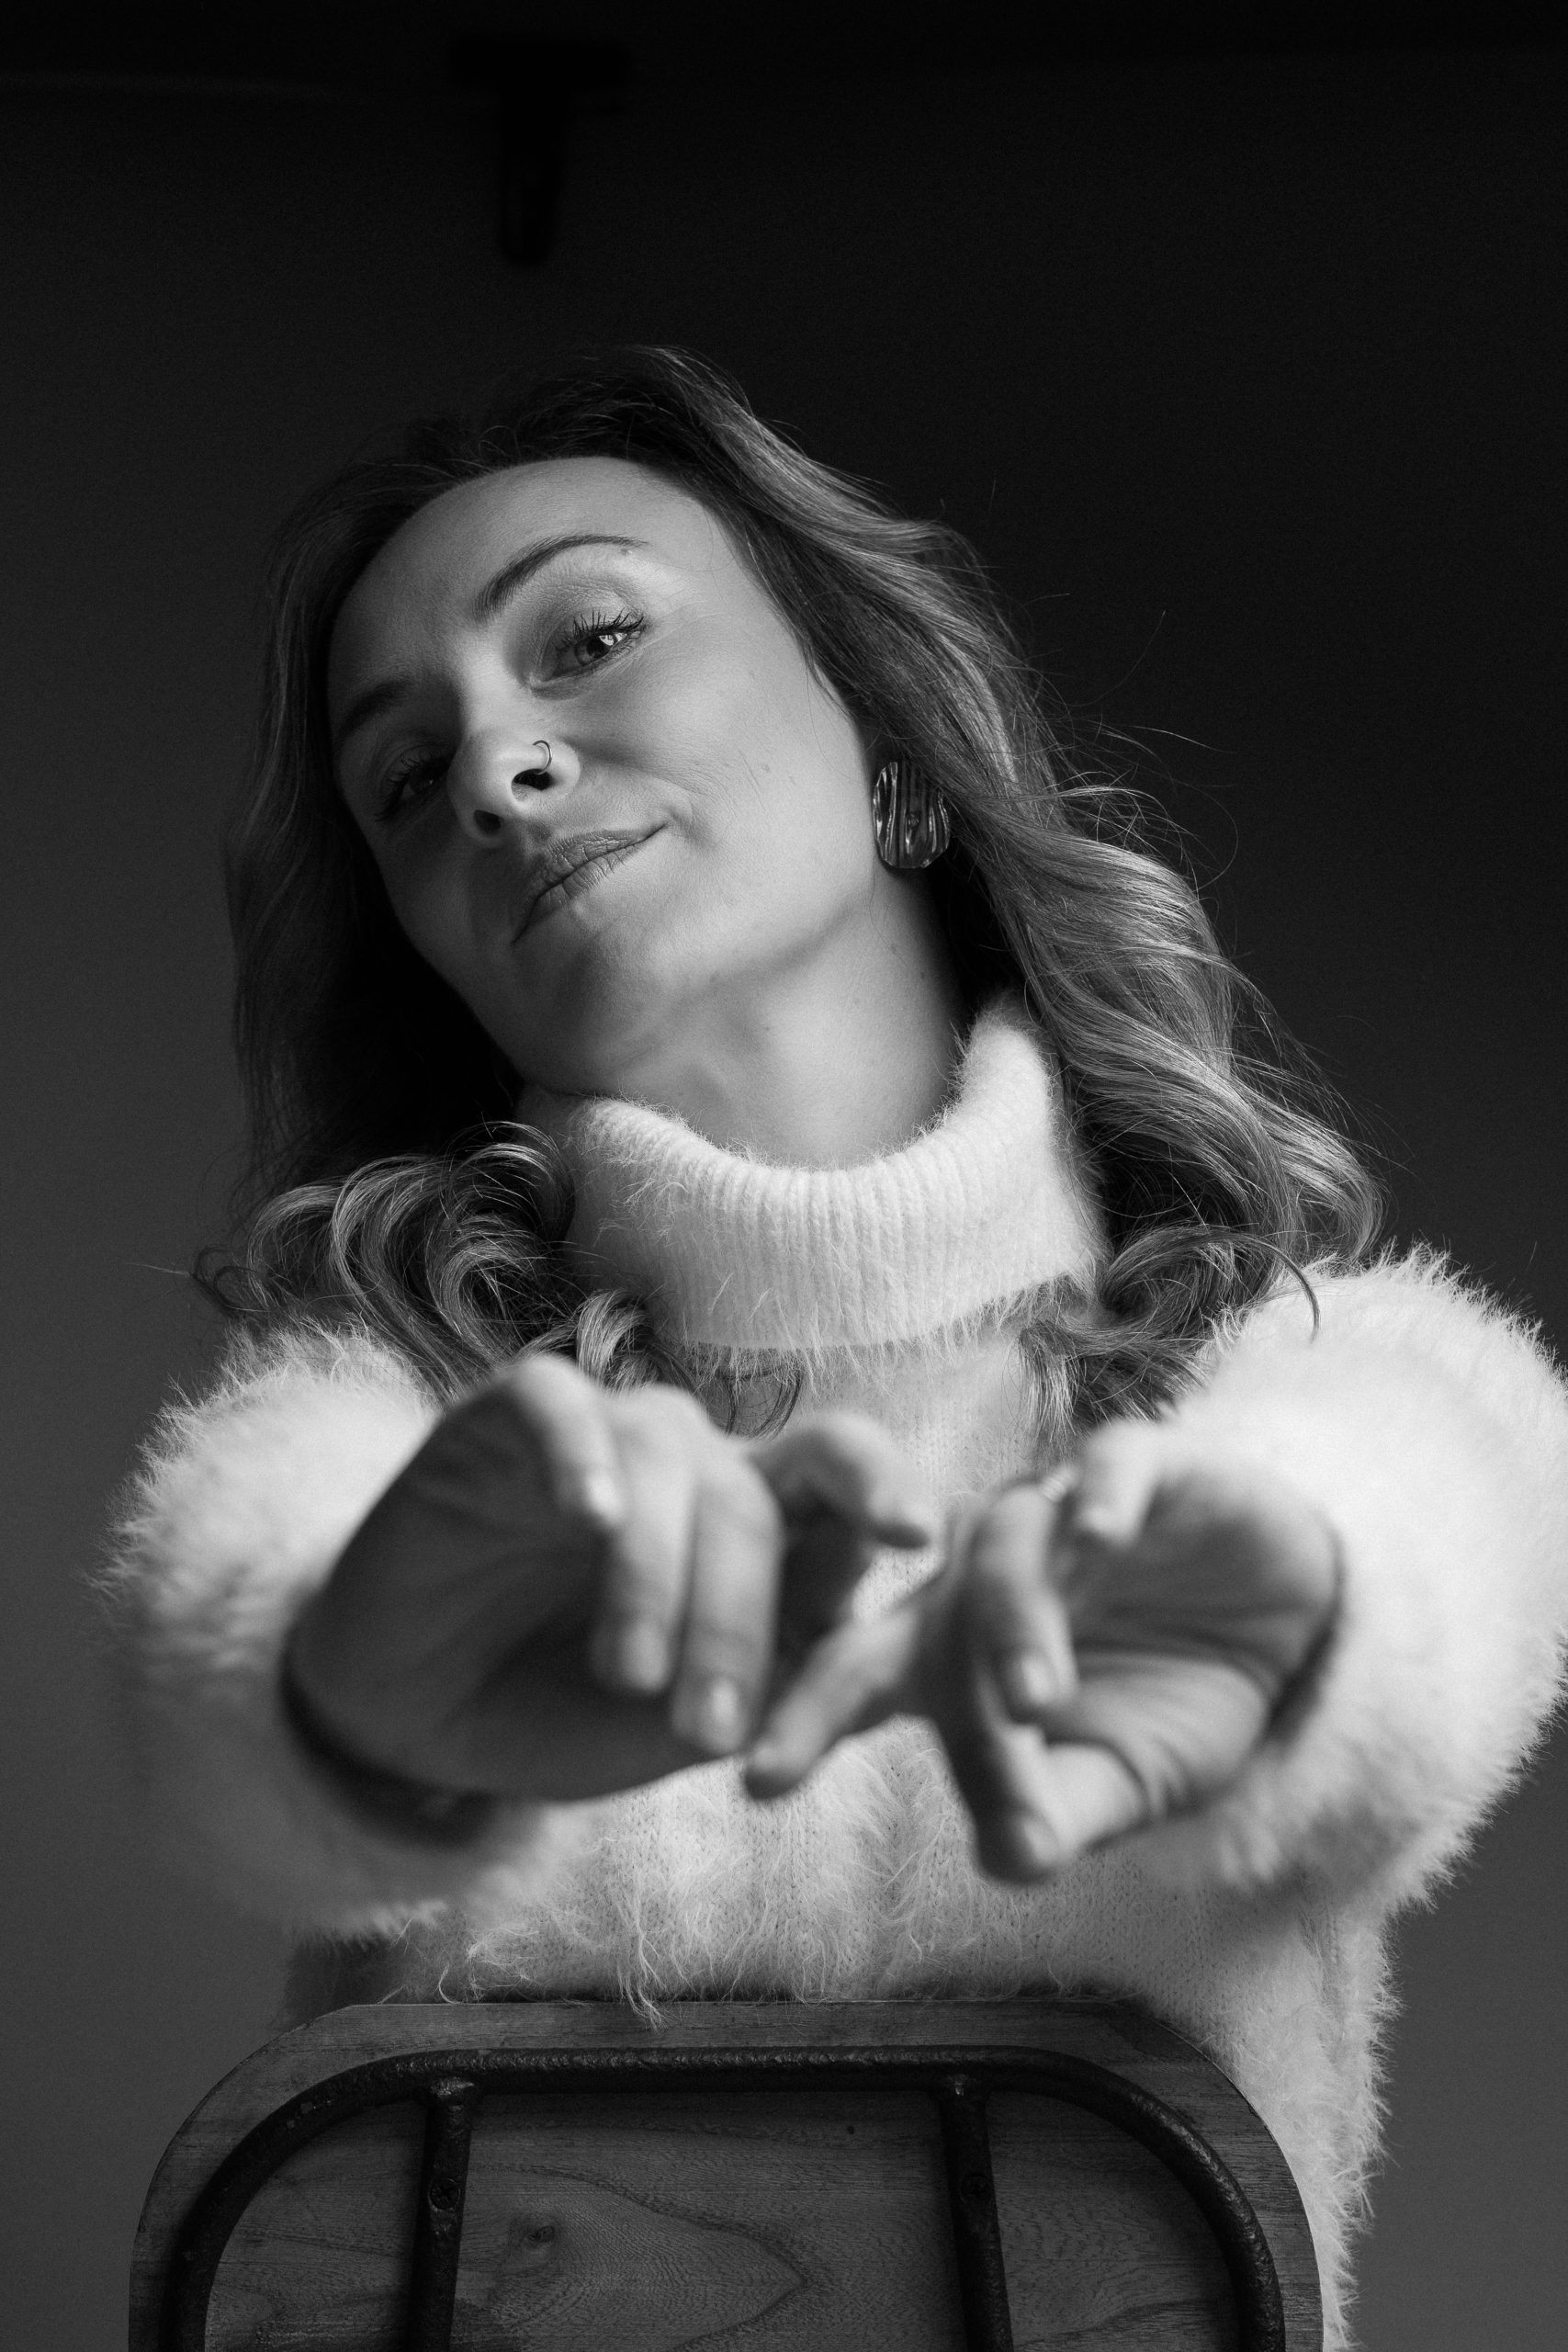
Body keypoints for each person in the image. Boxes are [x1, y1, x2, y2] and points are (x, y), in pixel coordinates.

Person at [107, 348, 1567, 2347]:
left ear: (887, 742)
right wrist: (363, 1682)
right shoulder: (398, 1412)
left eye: (590, 637)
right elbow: (234, 1610)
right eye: (400, 772)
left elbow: (1436, 1515)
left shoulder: (1300, 1372)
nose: (491, 770)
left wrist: (1276, 1640)